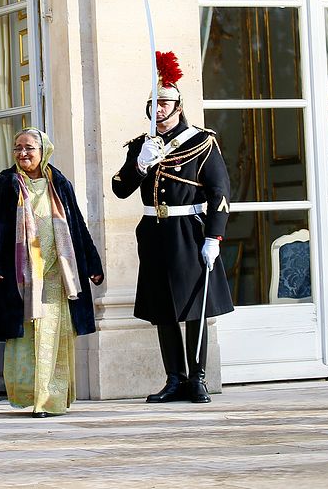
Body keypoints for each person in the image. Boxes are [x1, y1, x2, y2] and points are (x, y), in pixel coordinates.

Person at [111, 51, 233, 404]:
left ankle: (198, 378)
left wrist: (214, 235)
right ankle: (174, 378)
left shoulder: (202, 141)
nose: (159, 109)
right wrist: (140, 165)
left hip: (189, 229)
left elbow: (220, 192)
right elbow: (120, 188)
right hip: (154, 231)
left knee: (194, 307)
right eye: (154, 104)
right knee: (162, 308)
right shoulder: (142, 145)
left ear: (179, 106)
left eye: (165, 103)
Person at [0, 128, 103, 417]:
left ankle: (51, 399)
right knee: (28, 337)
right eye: (17, 148)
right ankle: (31, 396)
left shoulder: (59, 183)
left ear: (43, 150)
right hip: (21, 280)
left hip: (56, 276)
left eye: (29, 148)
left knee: (53, 337)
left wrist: (93, 264)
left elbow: (77, 227)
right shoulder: (4, 185)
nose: (23, 153)